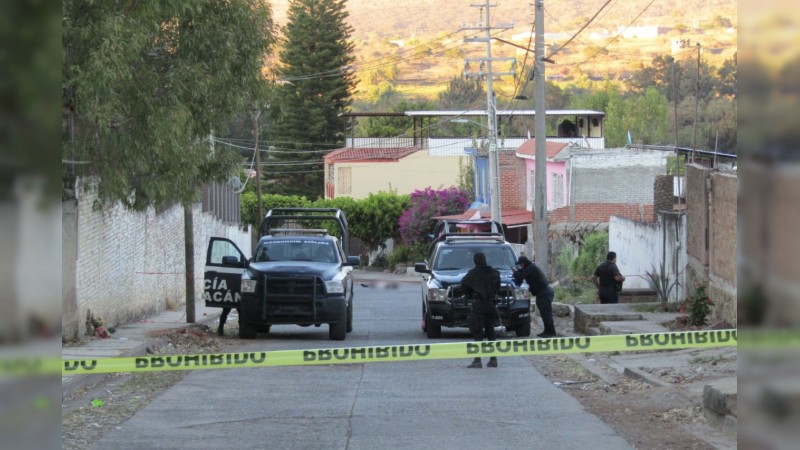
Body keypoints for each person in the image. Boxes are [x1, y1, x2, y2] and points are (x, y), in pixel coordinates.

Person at [461, 252, 501, 368]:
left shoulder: (472, 274)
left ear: (475, 261)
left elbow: (463, 285)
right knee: (491, 332)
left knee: (478, 332)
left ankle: (477, 360)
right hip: (490, 305)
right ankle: (493, 359)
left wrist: (469, 295)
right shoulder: (494, 273)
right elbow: (497, 288)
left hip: (478, 305)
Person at [513, 255, 557, 338]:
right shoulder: (529, 268)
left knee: (546, 314)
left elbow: (521, 276)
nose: (520, 266)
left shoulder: (531, 268)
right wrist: (517, 272)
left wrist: (515, 272)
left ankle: (551, 332)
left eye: (521, 264)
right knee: (544, 314)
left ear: (524, 263)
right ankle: (547, 331)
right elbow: (521, 275)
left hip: (544, 293)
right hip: (542, 293)